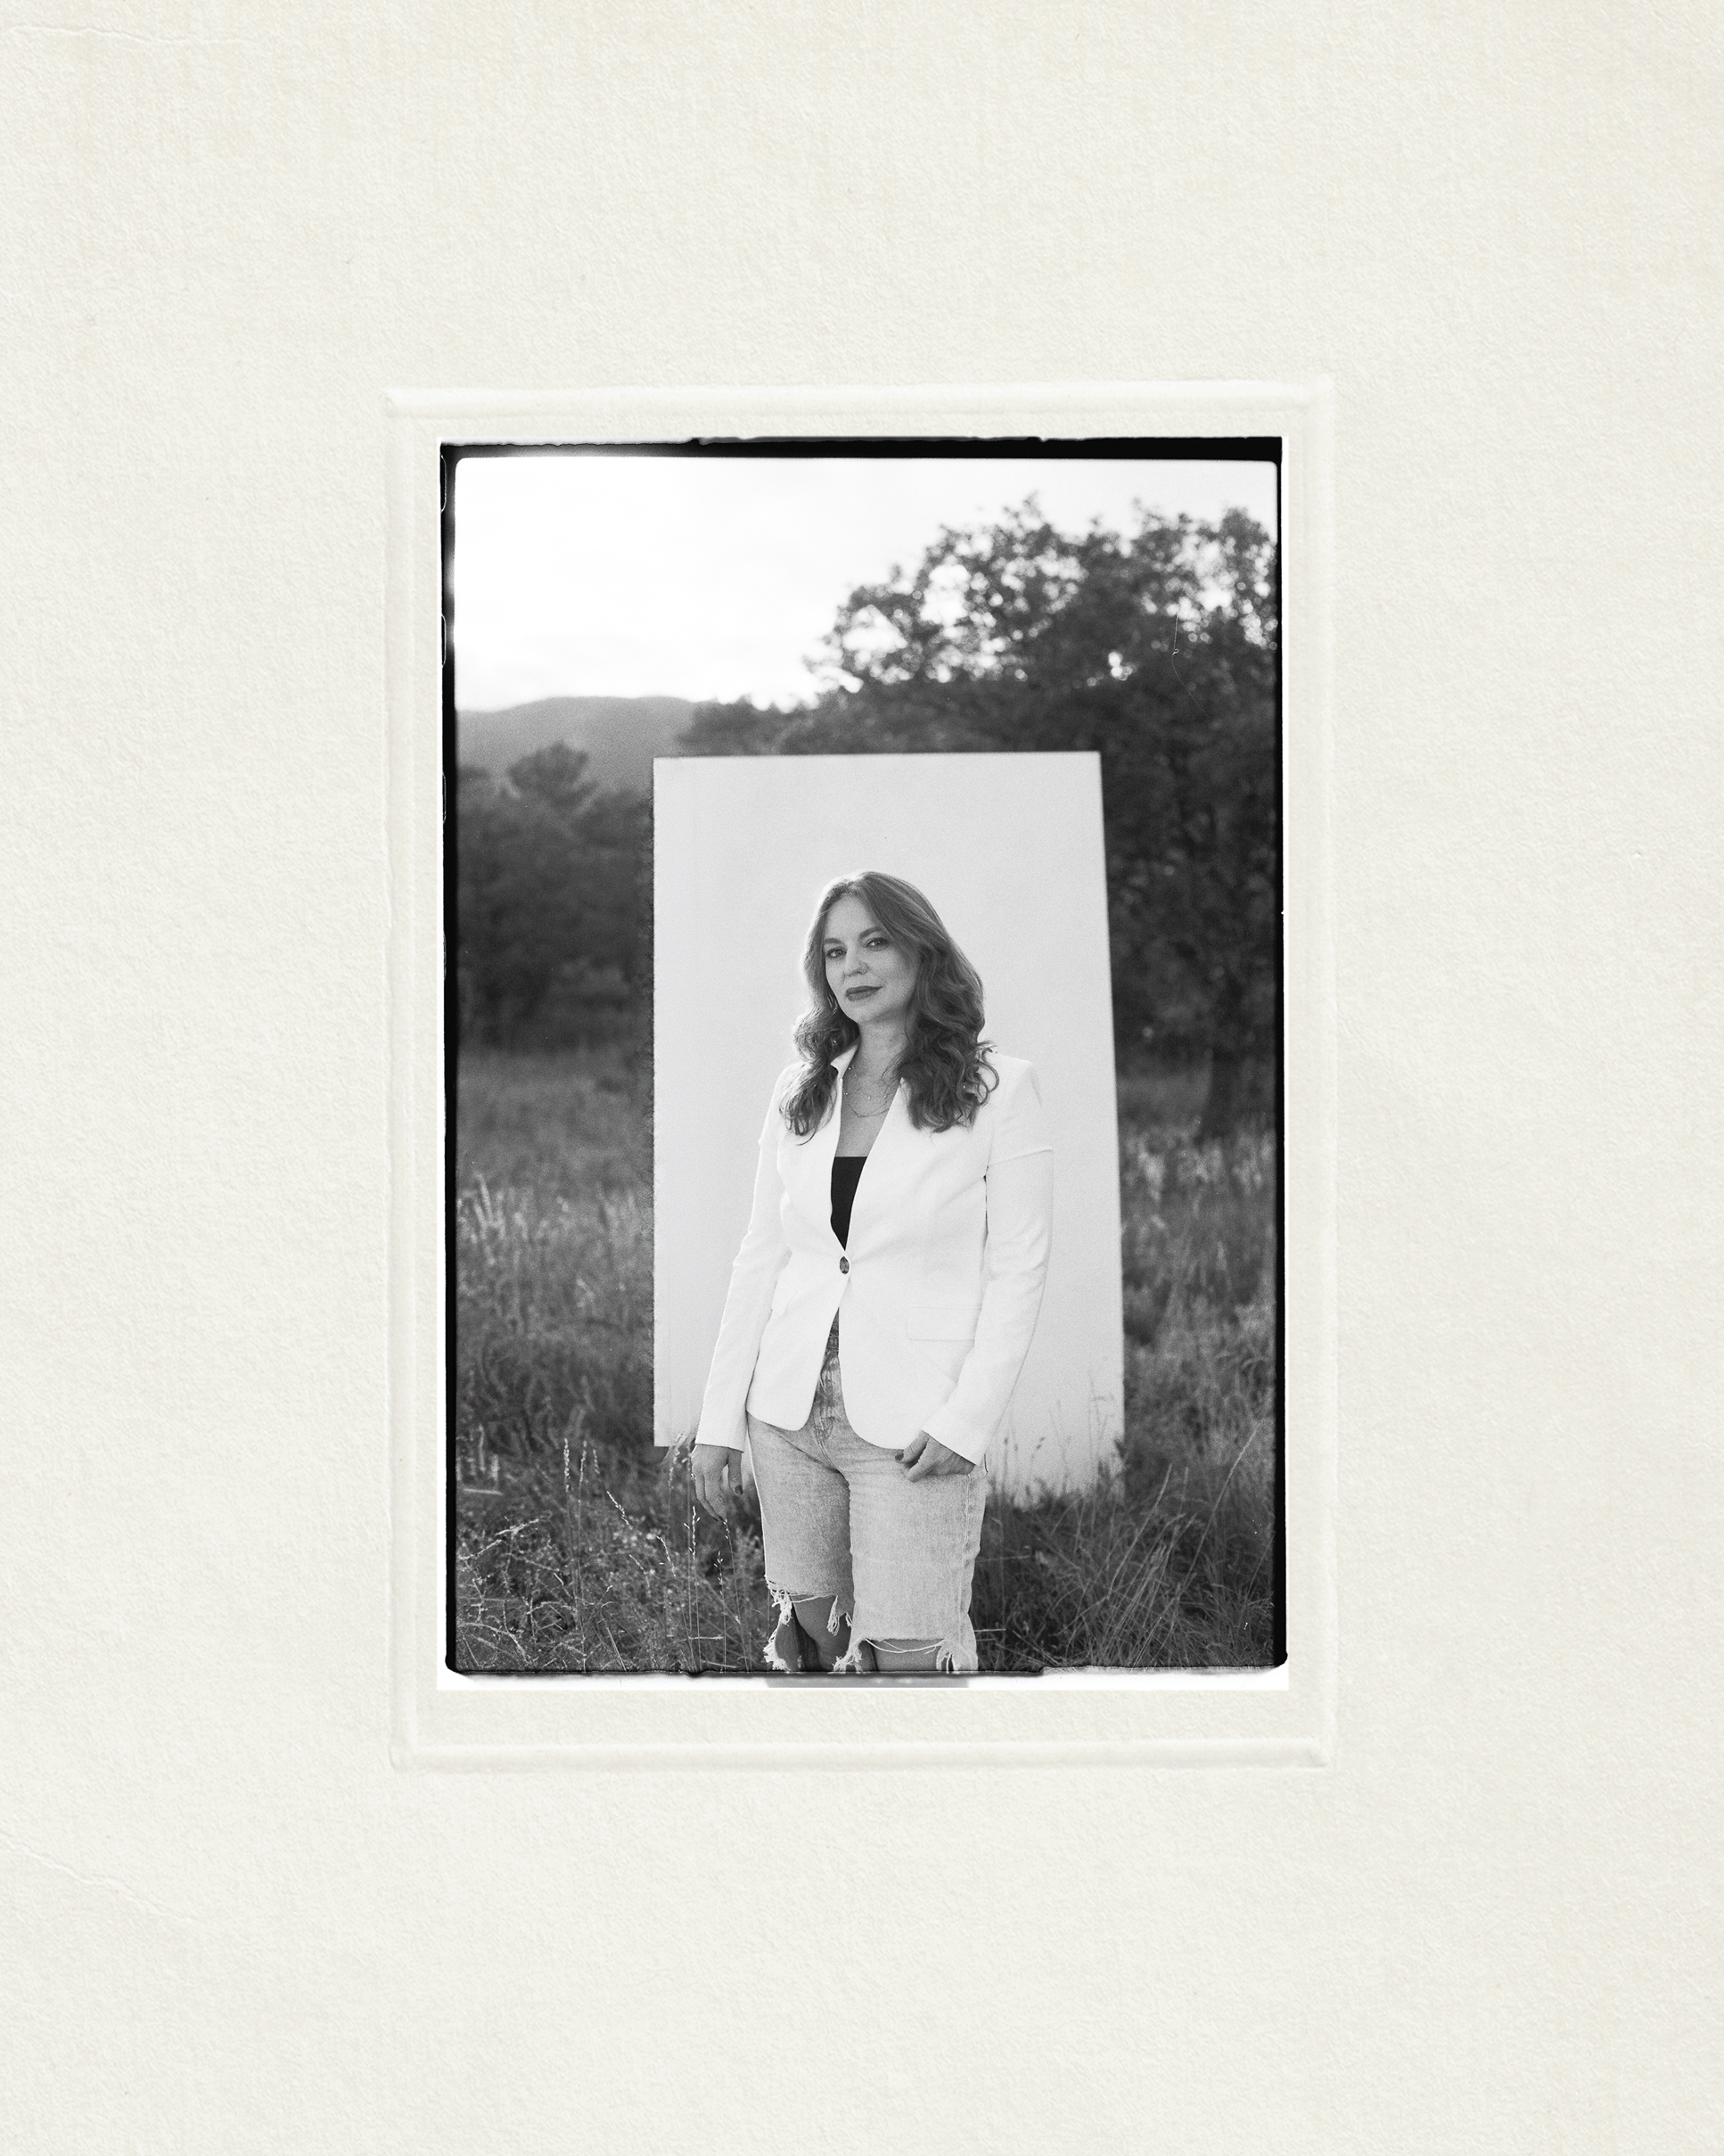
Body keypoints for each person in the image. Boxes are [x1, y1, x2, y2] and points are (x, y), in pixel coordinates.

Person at [686, 869, 1054, 1675]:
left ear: (922, 951)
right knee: (810, 1648)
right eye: (834, 951)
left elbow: (1019, 1271)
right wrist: (719, 1422)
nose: (852, 966)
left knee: (906, 1664)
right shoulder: (800, 1091)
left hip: (913, 1427)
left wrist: (966, 1423)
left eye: (875, 942)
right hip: (786, 1417)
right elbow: (761, 1255)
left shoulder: (999, 1091)